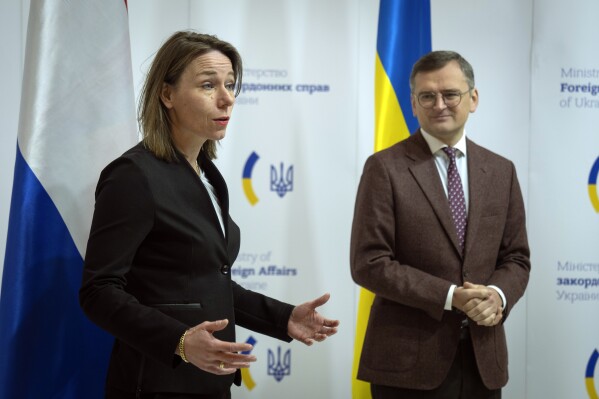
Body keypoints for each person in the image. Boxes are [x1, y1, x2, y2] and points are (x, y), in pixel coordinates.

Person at [79, 31, 339, 399]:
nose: (227, 98)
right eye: (207, 85)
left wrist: (283, 318)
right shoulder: (133, 176)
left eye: (231, 85)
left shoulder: (207, 174)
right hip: (154, 385)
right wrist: (180, 341)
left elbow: (207, 282)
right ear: (166, 94)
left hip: (211, 382)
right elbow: (98, 292)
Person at [350, 50, 530, 399]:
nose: (440, 104)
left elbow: (517, 258)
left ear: (473, 98)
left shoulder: (501, 170)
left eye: (450, 94)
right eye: (427, 96)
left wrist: (497, 295)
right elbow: (369, 263)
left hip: (483, 363)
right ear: (413, 105)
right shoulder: (384, 168)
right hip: (406, 367)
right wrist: (450, 297)